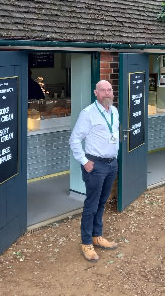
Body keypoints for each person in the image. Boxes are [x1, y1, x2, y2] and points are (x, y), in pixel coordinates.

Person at [69, 80, 119, 262]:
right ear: (95, 93)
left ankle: (97, 236)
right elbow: (74, 139)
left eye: (110, 90)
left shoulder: (114, 111)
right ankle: (86, 242)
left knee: (102, 202)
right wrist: (84, 161)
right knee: (91, 204)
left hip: (112, 164)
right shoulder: (88, 113)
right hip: (95, 166)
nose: (107, 93)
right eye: (103, 90)